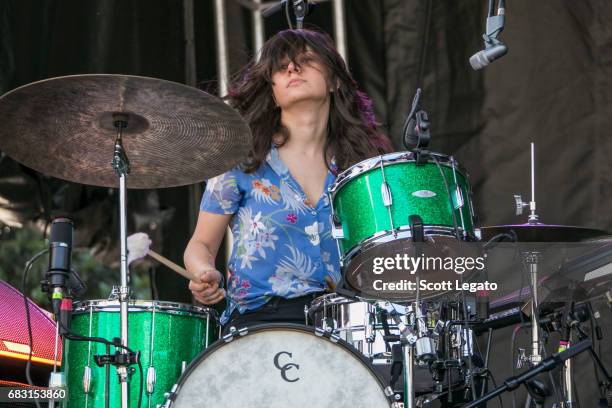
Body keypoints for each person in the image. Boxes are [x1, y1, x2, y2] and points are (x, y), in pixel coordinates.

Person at [184, 28, 392, 332]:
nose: (293, 68)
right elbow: (200, 243)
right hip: (262, 320)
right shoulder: (242, 159)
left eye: (306, 60)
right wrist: (203, 273)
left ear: (335, 80)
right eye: (281, 67)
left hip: (349, 322)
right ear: (272, 91)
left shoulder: (362, 165)